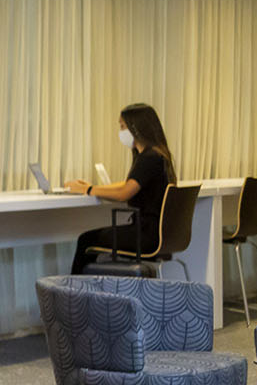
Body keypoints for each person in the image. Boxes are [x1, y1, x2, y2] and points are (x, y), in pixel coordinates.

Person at [66, 102, 176, 274]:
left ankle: (75, 295)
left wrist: (87, 190)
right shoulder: (157, 154)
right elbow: (129, 184)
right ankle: (86, 293)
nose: (121, 132)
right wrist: (92, 187)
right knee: (90, 239)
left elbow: (124, 193)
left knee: (86, 240)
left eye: (123, 126)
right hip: (158, 233)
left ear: (136, 128)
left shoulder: (149, 158)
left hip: (146, 236)